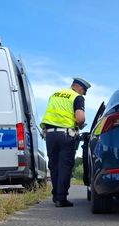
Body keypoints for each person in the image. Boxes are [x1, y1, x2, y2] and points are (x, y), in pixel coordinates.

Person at [41, 77, 91, 207]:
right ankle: (61, 198)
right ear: (79, 88)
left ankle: (55, 195)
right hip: (66, 135)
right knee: (65, 166)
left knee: (54, 165)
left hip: (50, 135)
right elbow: (80, 118)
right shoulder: (76, 97)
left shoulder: (54, 95)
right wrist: (80, 126)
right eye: (84, 91)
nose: (84, 94)